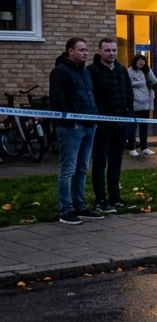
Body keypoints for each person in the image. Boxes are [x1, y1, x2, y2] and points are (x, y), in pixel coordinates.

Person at [49, 38, 104, 225]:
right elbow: (57, 99)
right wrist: (70, 121)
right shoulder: (60, 72)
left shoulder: (85, 73)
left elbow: (90, 96)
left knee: (82, 168)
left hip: (89, 124)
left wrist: (94, 117)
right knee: (68, 169)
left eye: (87, 50)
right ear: (70, 51)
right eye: (81, 50)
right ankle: (65, 209)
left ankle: (80, 205)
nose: (85, 53)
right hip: (72, 128)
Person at [87, 37, 134, 213]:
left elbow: (128, 94)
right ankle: (101, 199)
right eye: (107, 50)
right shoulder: (91, 71)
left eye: (114, 50)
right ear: (99, 51)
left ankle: (115, 197)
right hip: (102, 124)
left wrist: (129, 115)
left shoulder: (122, 70)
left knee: (116, 161)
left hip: (121, 123)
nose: (111, 54)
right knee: (100, 162)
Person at [126, 53, 157, 156]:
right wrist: (140, 83)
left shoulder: (146, 71)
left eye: (143, 60)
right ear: (135, 61)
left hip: (146, 103)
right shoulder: (130, 71)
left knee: (144, 126)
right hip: (135, 103)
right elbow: (128, 84)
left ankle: (144, 147)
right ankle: (132, 148)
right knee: (133, 126)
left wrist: (149, 71)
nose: (141, 62)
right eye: (139, 60)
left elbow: (154, 80)